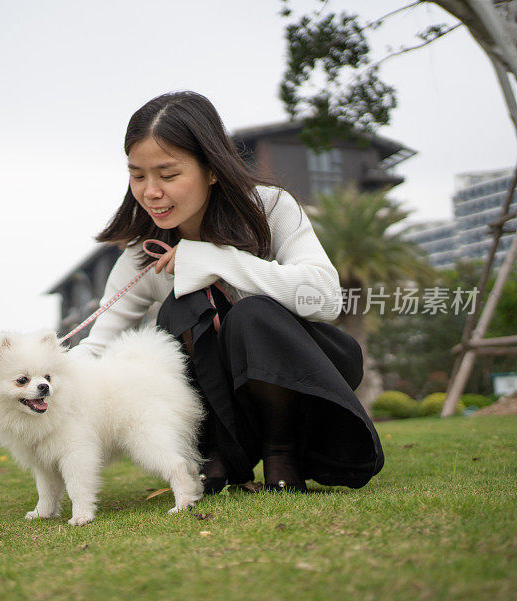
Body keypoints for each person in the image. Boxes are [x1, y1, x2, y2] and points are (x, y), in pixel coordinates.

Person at [68, 91, 384, 493]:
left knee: (253, 315)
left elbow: (324, 298)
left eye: (168, 175)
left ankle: (281, 452)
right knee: (177, 312)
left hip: (302, 384)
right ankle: (216, 456)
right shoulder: (143, 253)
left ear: (213, 170)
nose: (150, 192)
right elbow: (100, 346)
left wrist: (217, 259)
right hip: (215, 412)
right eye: (137, 175)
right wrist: (42, 379)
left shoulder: (268, 209)